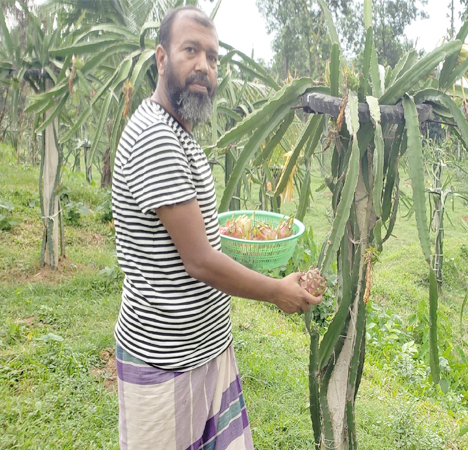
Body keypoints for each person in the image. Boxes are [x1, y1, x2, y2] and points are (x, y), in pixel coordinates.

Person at [111, 6, 322, 450]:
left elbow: (197, 239)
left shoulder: (177, 131)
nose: (204, 66)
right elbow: (200, 260)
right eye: (191, 50)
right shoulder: (156, 137)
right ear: (161, 58)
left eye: (213, 57)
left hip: (203, 350)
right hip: (167, 359)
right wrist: (275, 291)